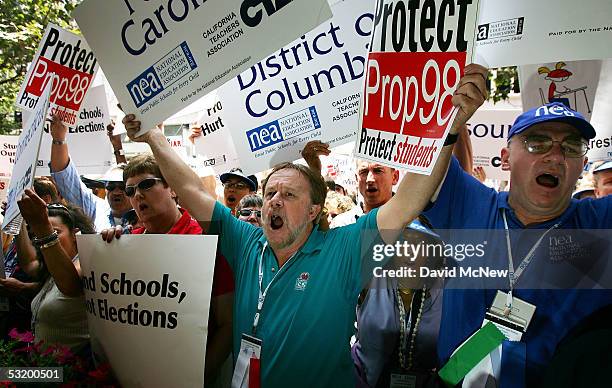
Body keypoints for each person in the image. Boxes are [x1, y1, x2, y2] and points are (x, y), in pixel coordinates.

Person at [121, 63, 487, 387]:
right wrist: (152, 136)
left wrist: (451, 127)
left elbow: (408, 201)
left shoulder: (344, 250)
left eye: (289, 195)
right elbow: (188, 189)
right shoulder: (246, 242)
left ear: (314, 210)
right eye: (269, 194)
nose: (274, 201)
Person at [421, 102, 612, 386]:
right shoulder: (469, 203)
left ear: (583, 166)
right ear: (506, 158)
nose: (556, 156)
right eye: (537, 142)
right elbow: (424, 157)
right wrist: (452, 117)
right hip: (453, 380)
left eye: (572, 146)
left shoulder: (600, 224)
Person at [101, 154, 235, 386]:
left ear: (172, 189)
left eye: (146, 184)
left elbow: (227, 323)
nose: (138, 195)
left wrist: (198, 375)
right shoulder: (125, 245)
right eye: (130, 190)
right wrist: (107, 253)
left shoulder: (205, 241)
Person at [15, 190, 95, 354]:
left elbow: (70, 284)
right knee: (5, 374)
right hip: (45, 371)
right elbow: (29, 262)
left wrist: (43, 228)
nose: (41, 239)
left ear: (75, 234)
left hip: (70, 374)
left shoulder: (87, 261)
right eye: (36, 236)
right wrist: (18, 221)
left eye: (55, 232)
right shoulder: (50, 269)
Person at [49, 115, 133, 231]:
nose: (116, 192)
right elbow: (64, 176)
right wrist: (59, 139)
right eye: (111, 187)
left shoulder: (147, 215)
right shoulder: (95, 209)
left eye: (122, 187)